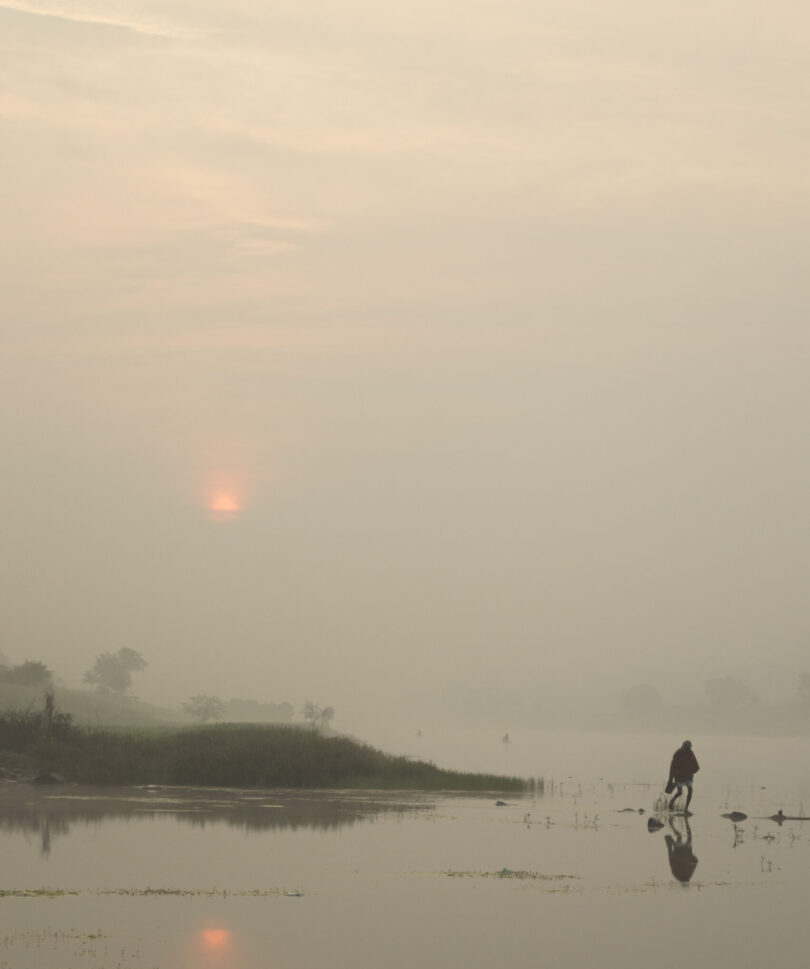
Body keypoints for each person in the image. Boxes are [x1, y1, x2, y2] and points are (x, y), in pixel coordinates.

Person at [668, 739, 699, 813]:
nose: (686, 750)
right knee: (680, 792)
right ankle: (671, 802)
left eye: (688, 748)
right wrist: (670, 779)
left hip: (688, 776)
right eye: (685, 748)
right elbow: (672, 767)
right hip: (679, 776)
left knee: (690, 790)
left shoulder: (690, 753)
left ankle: (686, 809)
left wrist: (691, 772)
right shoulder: (677, 753)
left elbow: (695, 764)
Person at [665, 816, 698, 884]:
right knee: (680, 835)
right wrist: (669, 847)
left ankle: (685, 820)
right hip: (680, 850)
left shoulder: (683, 872)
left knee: (687, 835)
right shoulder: (677, 873)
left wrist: (690, 856)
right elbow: (671, 859)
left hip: (684, 850)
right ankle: (672, 823)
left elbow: (695, 861)